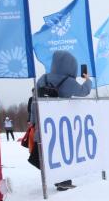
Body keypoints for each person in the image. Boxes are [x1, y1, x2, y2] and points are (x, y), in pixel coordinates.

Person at [29, 49, 93, 189]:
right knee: (63, 151)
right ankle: (64, 181)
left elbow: (34, 101)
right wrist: (87, 80)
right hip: (60, 125)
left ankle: (51, 177)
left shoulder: (42, 79)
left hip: (44, 124)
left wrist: (33, 121)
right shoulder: (68, 81)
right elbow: (84, 91)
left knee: (47, 152)